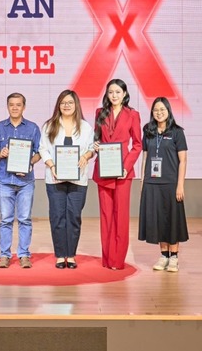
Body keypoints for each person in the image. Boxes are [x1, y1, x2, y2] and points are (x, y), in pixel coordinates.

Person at [40, 90, 95, 269]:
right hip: (55, 179)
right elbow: (43, 149)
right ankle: (60, 255)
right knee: (57, 217)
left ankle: (70, 255)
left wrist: (86, 156)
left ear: (76, 104)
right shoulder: (49, 126)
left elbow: (92, 148)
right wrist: (52, 165)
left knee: (74, 216)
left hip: (78, 180)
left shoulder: (85, 127)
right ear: (58, 105)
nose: (66, 105)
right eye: (63, 102)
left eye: (70, 102)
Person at [92, 79, 143, 270]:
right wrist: (95, 145)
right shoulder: (100, 112)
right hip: (104, 169)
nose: (114, 95)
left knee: (120, 216)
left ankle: (118, 260)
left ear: (124, 94)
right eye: (111, 92)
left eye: (118, 92)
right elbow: (97, 138)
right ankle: (107, 258)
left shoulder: (133, 115)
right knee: (106, 216)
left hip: (122, 171)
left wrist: (126, 167)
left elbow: (137, 144)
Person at [0, 92, 41, 269]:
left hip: (26, 181)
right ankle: (4, 255)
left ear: (24, 107)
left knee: (25, 219)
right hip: (5, 180)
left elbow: (39, 153)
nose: (14, 107)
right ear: (7, 106)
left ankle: (24, 254)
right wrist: (1, 153)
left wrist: (29, 163)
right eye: (11, 104)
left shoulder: (33, 128)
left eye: (18, 104)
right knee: (5, 219)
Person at [138, 97, 188, 273]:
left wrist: (180, 184)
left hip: (171, 183)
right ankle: (164, 255)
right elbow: (145, 157)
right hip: (152, 183)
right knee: (158, 219)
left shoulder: (177, 132)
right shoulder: (148, 130)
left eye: (162, 109)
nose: (159, 113)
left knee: (172, 220)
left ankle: (174, 257)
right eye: (156, 110)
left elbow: (183, 160)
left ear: (168, 111)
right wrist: (142, 180)